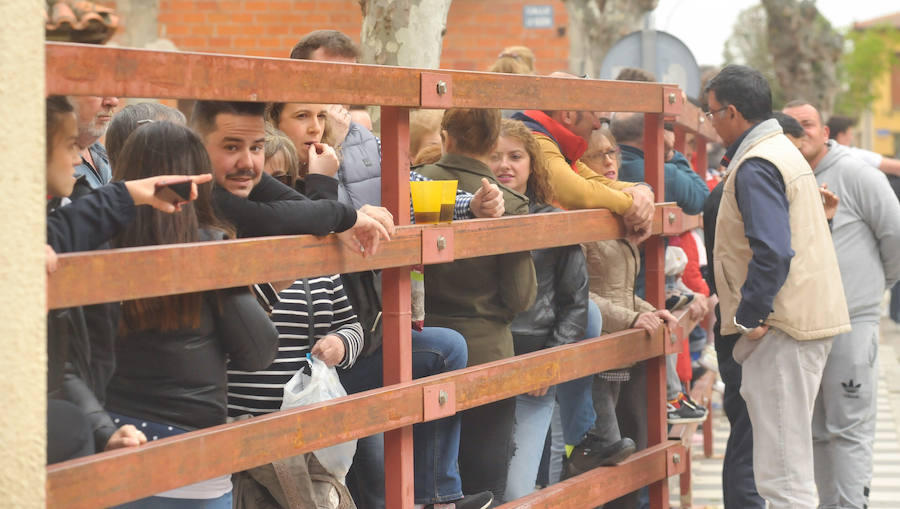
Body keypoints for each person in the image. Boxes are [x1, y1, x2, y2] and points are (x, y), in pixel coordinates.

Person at [104, 121, 280, 508]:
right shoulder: (208, 250)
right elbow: (259, 351)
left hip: (108, 443)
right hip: (191, 457)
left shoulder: (98, 244)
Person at [705, 64, 850, 509]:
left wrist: (749, 316)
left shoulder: (757, 163)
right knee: (787, 469)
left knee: (783, 478)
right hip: (797, 323)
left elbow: (773, 251)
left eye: (712, 113)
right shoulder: (782, 152)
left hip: (781, 328)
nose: (710, 123)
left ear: (732, 112)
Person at [44, 96, 210, 464]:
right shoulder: (52, 222)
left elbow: (65, 361)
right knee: (69, 427)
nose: (78, 159)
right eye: (70, 145)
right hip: (85, 417)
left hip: (96, 405)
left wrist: (102, 429)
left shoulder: (67, 212)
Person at [783, 100, 900, 509]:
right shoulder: (782, 176)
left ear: (825, 132)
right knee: (815, 430)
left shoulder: (856, 174)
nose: (801, 131)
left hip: (852, 321)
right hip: (802, 326)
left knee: (849, 427)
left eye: (808, 124)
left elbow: (895, 236)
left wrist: (873, 289)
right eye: (791, 125)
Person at [417, 108, 538, 501]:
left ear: (445, 137)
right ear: (492, 143)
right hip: (488, 350)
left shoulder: (419, 185)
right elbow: (520, 295)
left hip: (422, 350)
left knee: (429, 487)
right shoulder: (507, 202)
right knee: (483, 485)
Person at [580, 127, 680, 509]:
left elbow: (618, 288)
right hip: (596, 348)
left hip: (620, 346)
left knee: (632, 445)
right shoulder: (581, 216)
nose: (609, 161)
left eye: (613, 152)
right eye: (597, 155)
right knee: (607, 453)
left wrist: (649, 311)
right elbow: (579, 296)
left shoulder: (615, 210)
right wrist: (630, 318)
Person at [510, 72, 656, 244]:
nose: (597, 124)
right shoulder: (536, 139)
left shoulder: (554, 143)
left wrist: (643, 190)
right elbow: (576, 192)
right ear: (568, 115)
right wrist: (632, 204)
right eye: (592, 113)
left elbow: (598, 182)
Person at [827, 114, 900, 176]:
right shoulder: (852, 154)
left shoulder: (826, 156)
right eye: (850, 134)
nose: (851, 137)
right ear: (841, 136)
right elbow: (896, 167)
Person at [71, 95, 119, 189]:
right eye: (98, 91)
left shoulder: (103, 152)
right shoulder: (46, 163)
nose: (114, 102)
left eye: (116, 92)